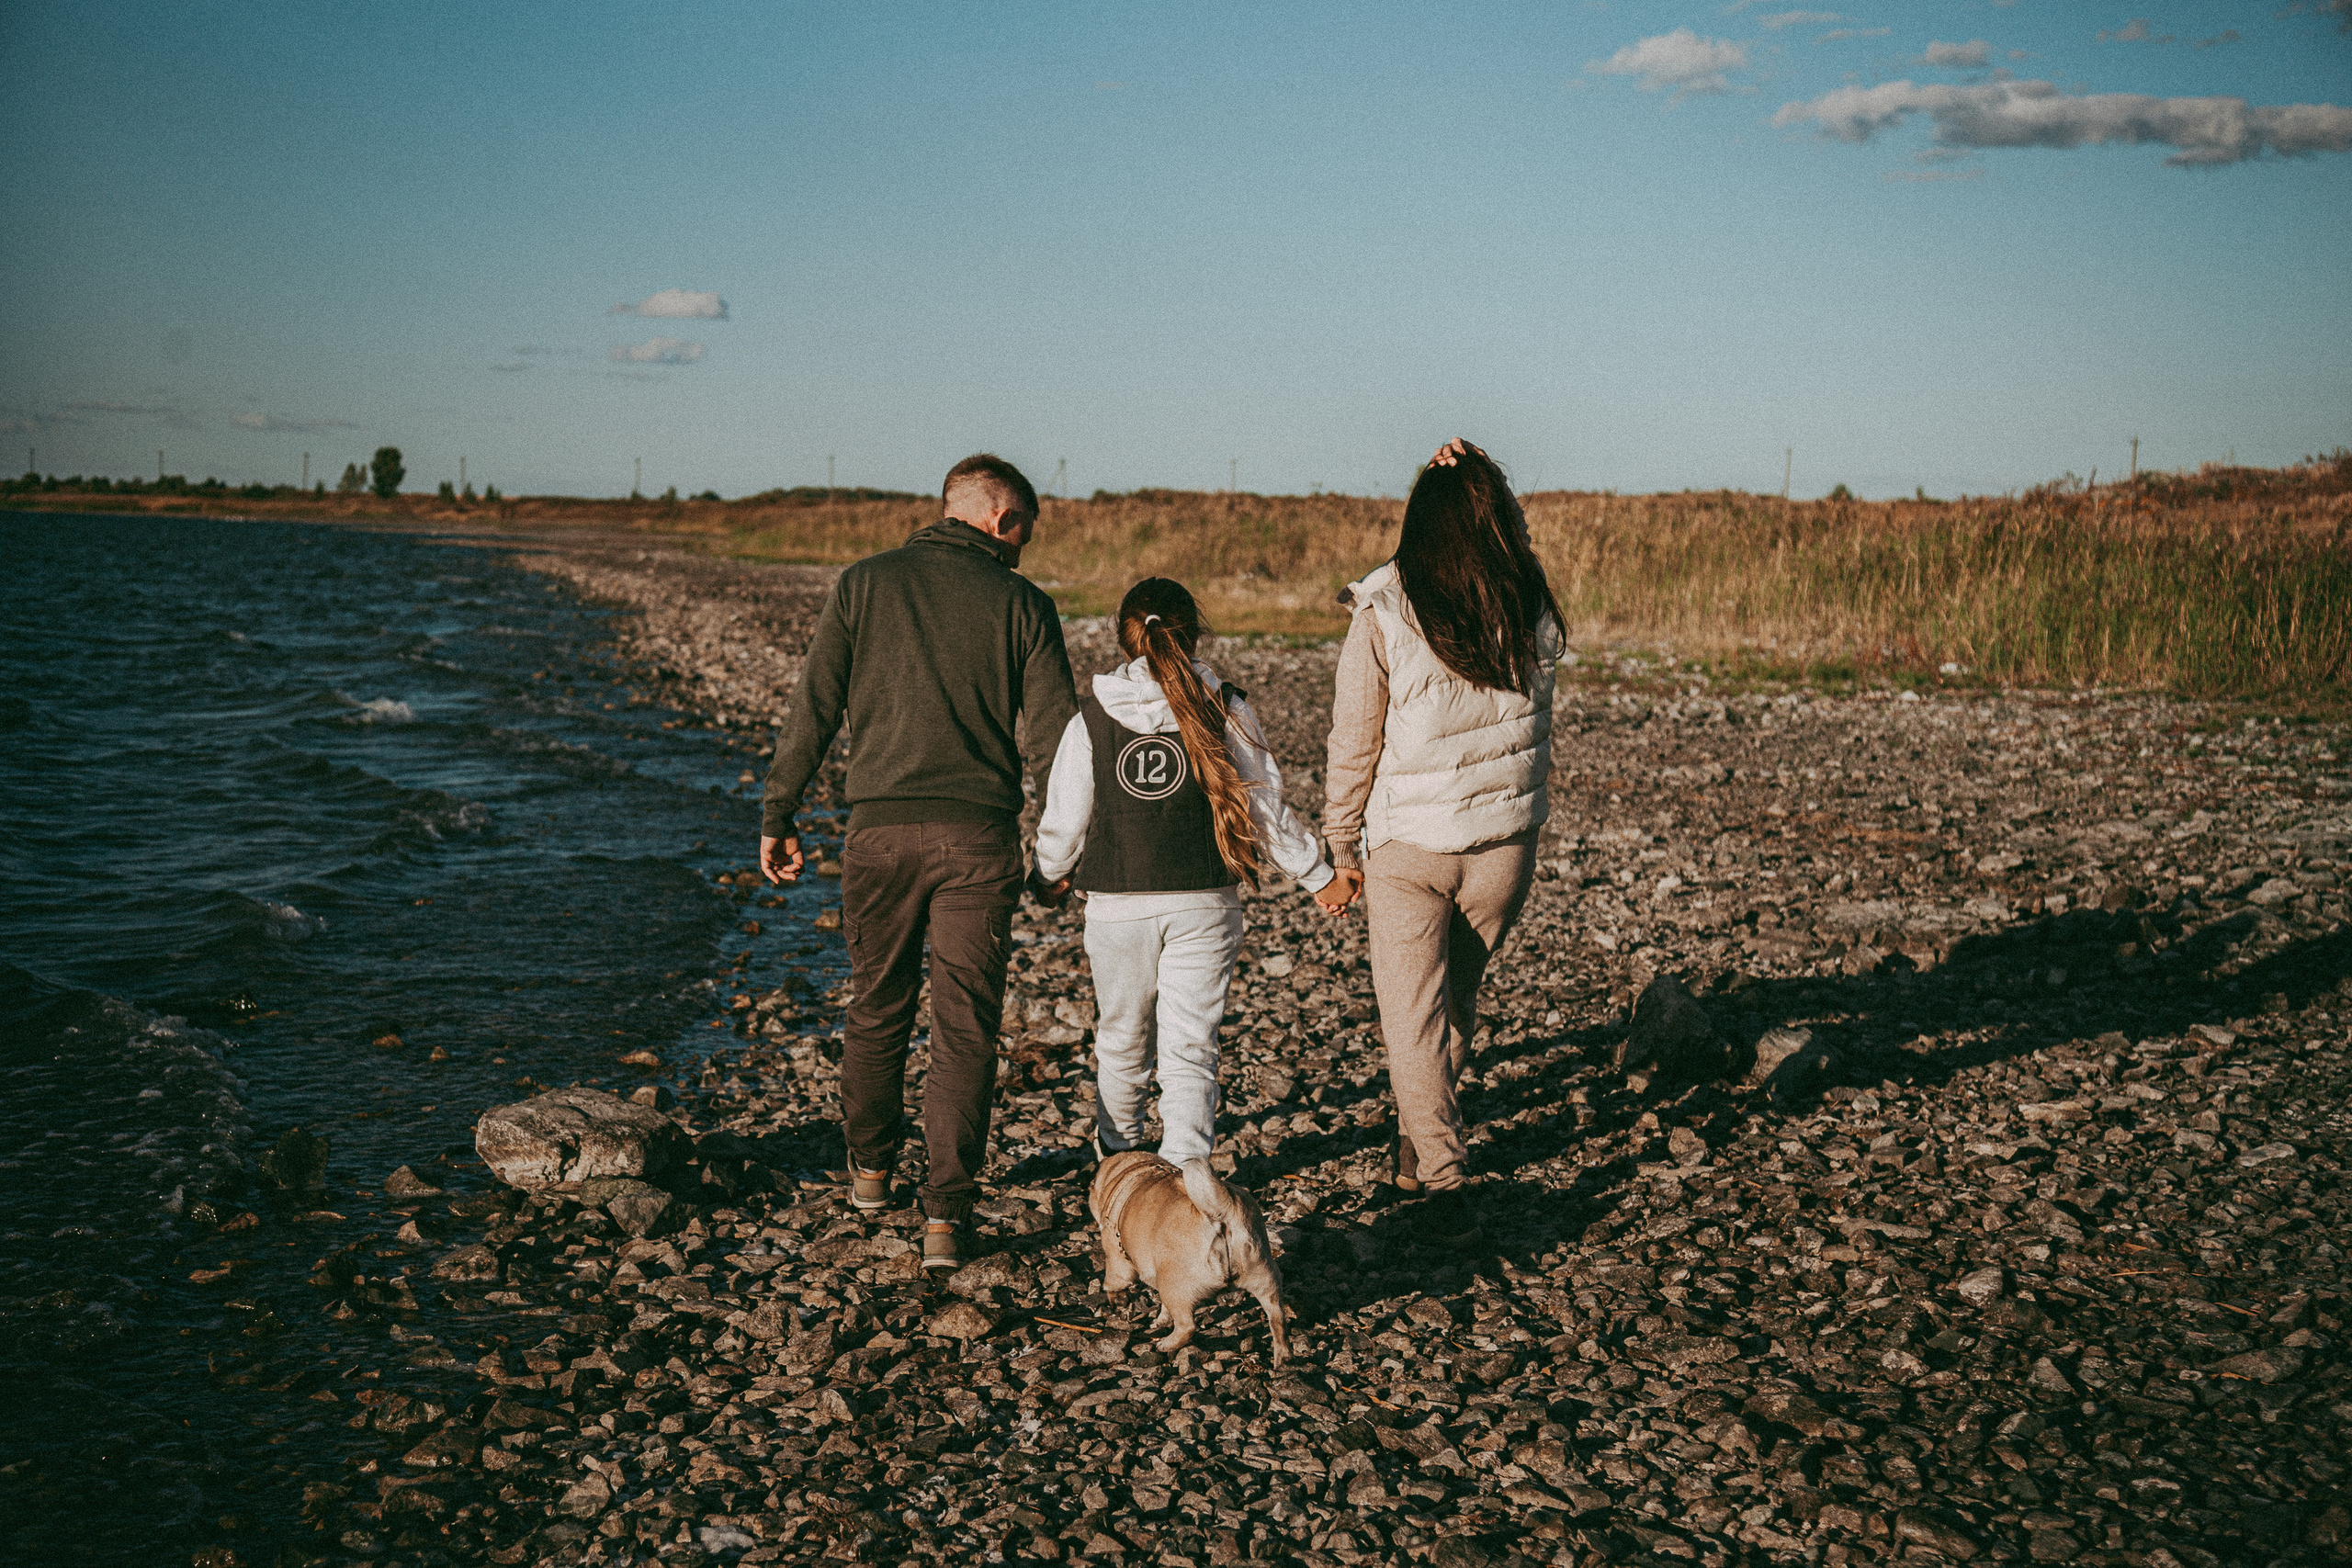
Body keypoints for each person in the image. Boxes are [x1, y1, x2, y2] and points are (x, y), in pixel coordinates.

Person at [760, 453, 1078, 1271]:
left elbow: (815, 703)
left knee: (876, 1005)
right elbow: (1056, 749)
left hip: (879, 835)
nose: (1021, 553)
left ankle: (870, 1173)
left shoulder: (865, 584)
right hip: (979, 841)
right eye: (1022, 536)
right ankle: (944, 1217)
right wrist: (1061, 853)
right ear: (1002, 520)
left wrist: (780, 809)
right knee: (965, 1023)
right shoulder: (1025, 605)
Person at [1315, 438, 1563, 1247]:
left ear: (1416, 529)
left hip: (1411, 848)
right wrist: (1481, 473)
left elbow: (1354, 741)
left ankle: (1446, 1176)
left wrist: (1339, 842)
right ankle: (1417, 1151)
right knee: (1453, 1004)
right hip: (1502, 848)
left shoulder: (1386, 610)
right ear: (1500, 520)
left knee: (1413, 1021)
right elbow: (1511, 538)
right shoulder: (1529, 604)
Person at [1030, 579, 1334, 1167]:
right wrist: (1318, 876)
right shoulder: (1227, 706)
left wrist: (1048, 878)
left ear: (1123, 640)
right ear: (1193, 635)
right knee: (1191, 1045)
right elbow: (1264, 809)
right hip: (1205, 902)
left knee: (1121, 1040)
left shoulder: (1090, 719)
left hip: (1117, 907)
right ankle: (1185, 1171)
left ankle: (1119, 1161)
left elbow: (1064, 821)